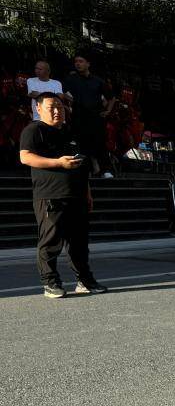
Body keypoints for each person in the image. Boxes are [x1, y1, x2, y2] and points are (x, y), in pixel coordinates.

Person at [19, 91, 105, 299]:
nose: (58, 111)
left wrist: (88, 193)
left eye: (61, 107)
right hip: (50, 195)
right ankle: (50, 282)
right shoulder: (34, 130)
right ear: (39, 109)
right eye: (52, 107)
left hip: (77, 195)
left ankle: (84, 280)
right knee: (51, 241)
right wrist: (58, 162)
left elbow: (81, 166)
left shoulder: (70, 133)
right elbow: (26, 157)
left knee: (79, 243)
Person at [65, 53, 113, 178]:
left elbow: (112, 97)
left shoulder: (98, 81)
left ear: (88, 64)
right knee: (81, 144)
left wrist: (108, 110)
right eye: (76, 61)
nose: (78, 64)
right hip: (79, 116)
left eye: (81, 61)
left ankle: (105, 170)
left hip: (96, 117)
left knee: (100, 143)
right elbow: (62, 92)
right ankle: (86, 170)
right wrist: (71, 102)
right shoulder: (72, 79)